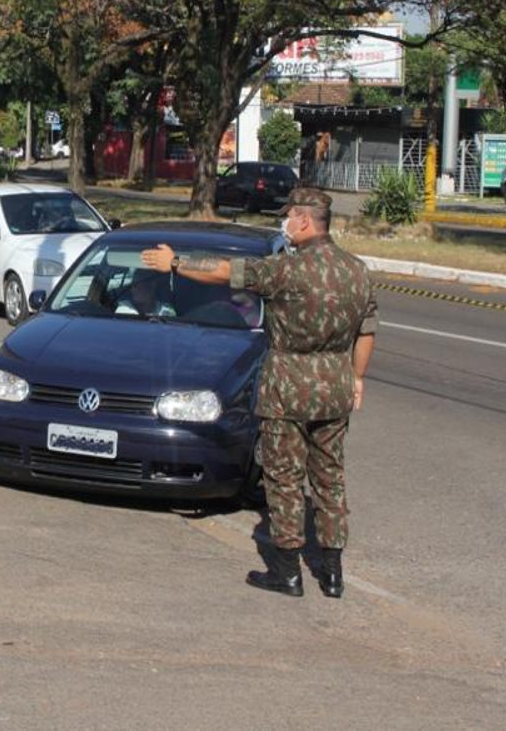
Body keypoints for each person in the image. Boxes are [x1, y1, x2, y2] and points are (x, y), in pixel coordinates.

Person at [140, 187, 377, 599]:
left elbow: (223, 271)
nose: (284, 224)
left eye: (289, 217)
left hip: (288, 387)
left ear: (304, 221)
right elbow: (367, 332)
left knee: (284, 478)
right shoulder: (357, 271)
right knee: (330, 478)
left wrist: (174, 263)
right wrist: (357, 378)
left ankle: (287, 573)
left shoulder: (287, 270)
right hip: (335, 387)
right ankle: (333, 574)